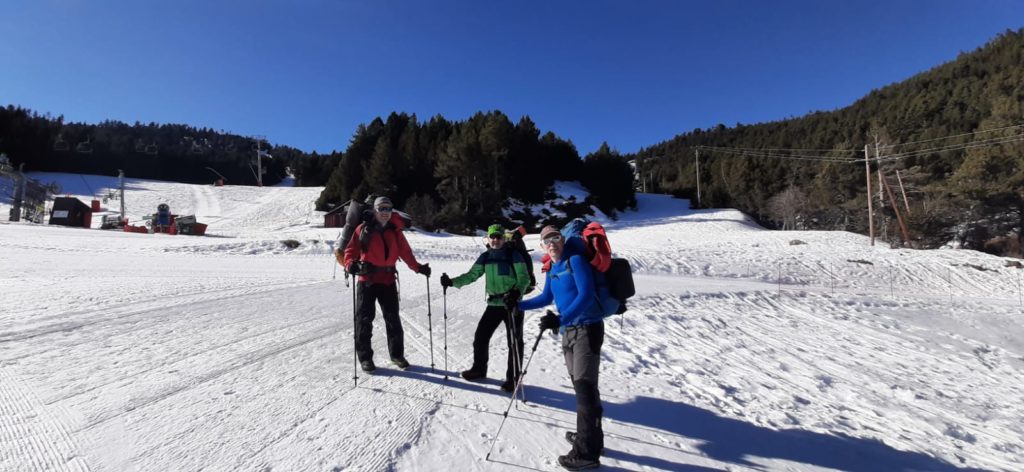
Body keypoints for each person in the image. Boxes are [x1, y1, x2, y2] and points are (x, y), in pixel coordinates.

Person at [516, 225, 614, 471]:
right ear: (542, 246)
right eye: (547, 240)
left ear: (563, 239)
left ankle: (586, 453)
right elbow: (546, 298)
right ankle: (591, 437)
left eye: (556, 238)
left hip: (587, 329)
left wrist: (561, 318)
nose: (552, 243)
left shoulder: (576, 260)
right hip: (568, 332)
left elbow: (587, 295)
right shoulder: (552, 267)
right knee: (581, 385)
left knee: (585, 387)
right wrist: (518, 305)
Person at [342, 196, 431, 372]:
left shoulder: (395, 231)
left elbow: (406, 253)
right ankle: (365, 358)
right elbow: (351, 250)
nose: (385, 212)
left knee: (393, 320)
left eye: (388, 209)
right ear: (375, 210)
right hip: (367, 281)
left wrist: (418, 268)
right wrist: (350, 263)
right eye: (381, 208)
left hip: (388, 281)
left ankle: (397, 355)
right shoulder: (363, 229)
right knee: (364, 320)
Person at [439, 224, 531, 392]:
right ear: (488, 239)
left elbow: (524, 278)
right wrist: (452, 282)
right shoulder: (485, 257)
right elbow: (471, 276)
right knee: (481, 337)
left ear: (504, 238)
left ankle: (513, 378)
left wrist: (516, 294)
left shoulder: (514, 255)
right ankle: (479, 369)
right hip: (494, 304)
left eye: (499, 237)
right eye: (492, 237)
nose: (496, 240)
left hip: (512, 304)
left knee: (515, 342)